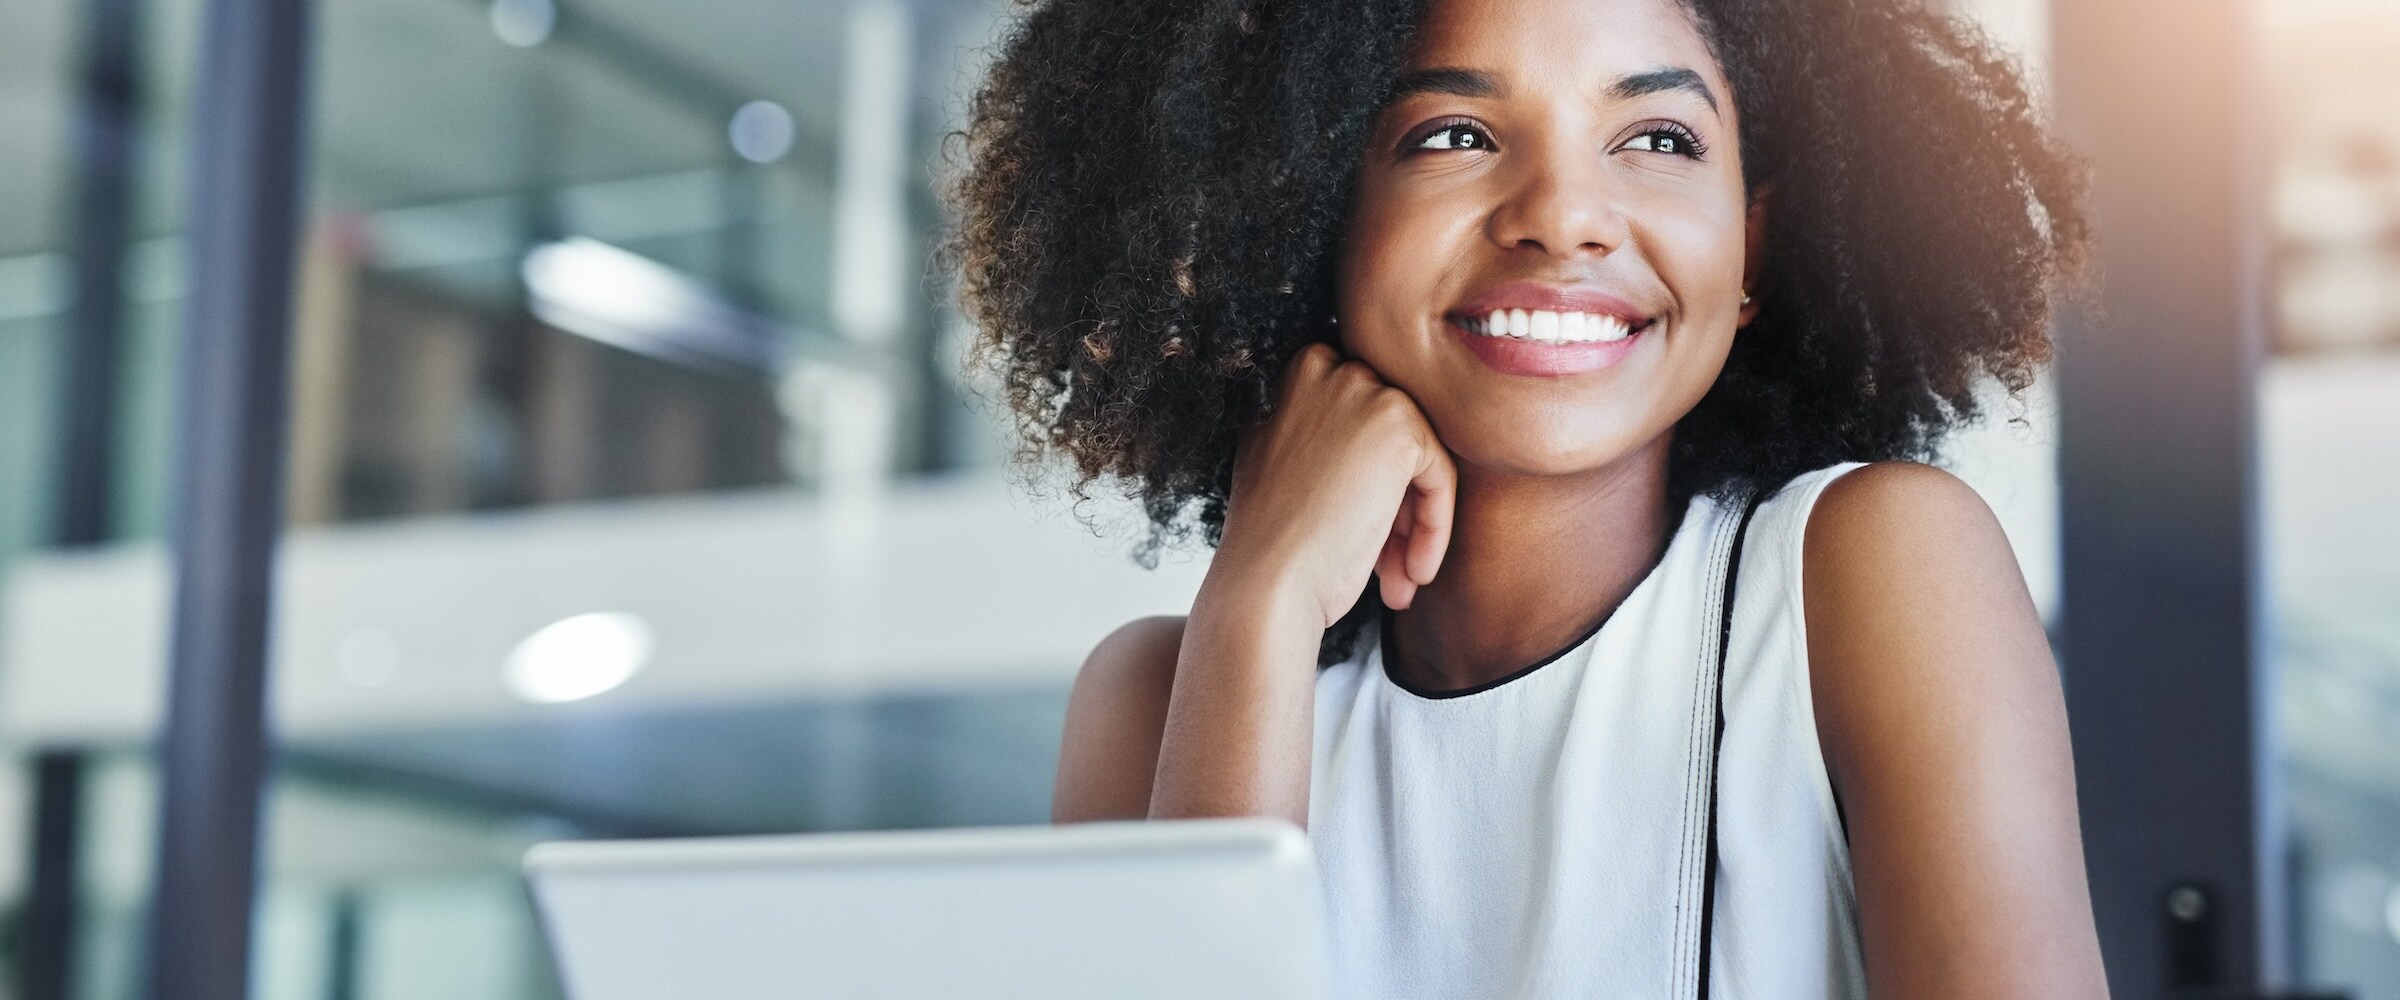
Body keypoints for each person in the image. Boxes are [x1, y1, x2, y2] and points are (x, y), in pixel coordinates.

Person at [949, 0, 2107, 994]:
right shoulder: (1161, 700)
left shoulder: (1868, 575)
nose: (1563, 213)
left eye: (1658, 136)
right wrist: (1257, 611)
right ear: (1305, 216)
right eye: (1454, 133)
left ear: (1751, 242)